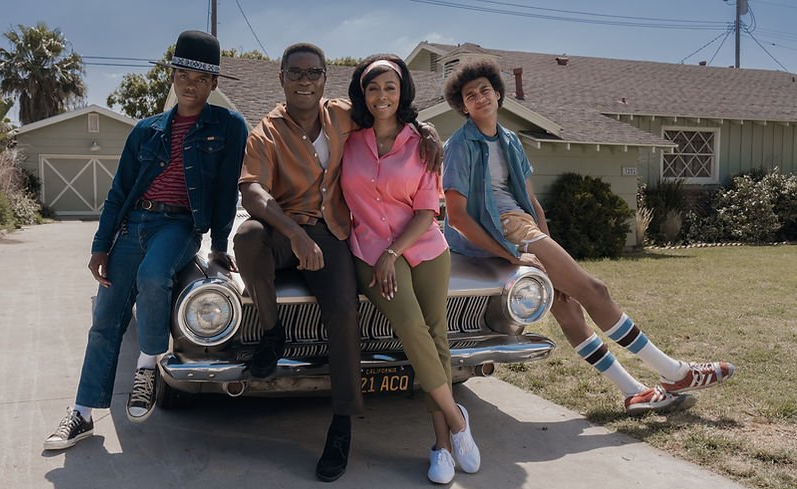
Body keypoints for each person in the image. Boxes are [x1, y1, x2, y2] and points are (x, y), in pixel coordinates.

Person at [441, 58, 734, 416]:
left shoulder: (510, 141)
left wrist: (549, 251)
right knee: (595, 291)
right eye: (470, 95)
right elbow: (457, 217)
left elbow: (531, 202)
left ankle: (634, 392)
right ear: (463, 106)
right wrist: (513, 256)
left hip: (523, 227)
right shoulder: (459, 145)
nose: (480, 98)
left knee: (569, 307)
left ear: (498, 94)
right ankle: (674, 373)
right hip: (500, 232)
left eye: (485, 90)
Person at [234, 43, 442, 482]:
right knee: (248, 237)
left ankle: (342, 424)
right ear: (282, 78)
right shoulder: (265, 132)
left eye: (314, 73)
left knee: (344, 310)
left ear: (325, 78)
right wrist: (293, 233)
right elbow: (252, 191)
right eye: (295, 73)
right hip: (283, 230)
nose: (305, 81)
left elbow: (388, 110)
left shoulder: (343, 115)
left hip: (331, 234)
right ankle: (273, 333)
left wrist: (425, 129)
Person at [43, 30, 248, 450]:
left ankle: (147, 365)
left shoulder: (228, 126)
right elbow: (119, 190)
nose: (190, 84)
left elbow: (228, 191)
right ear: (173, 76)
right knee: (105, 320)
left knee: (154, 276)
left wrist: (220, 246)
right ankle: (82, 413)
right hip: (133, 223)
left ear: (213, 84)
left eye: (200, 78)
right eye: (183, 75)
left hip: (179, 226)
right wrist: (100, 244)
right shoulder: (146, 129)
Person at [340, 54, 480, 484]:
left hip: (424, 248)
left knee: (436, 337)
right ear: (362, 93)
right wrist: (384, 255)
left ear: (402, 93)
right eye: (373, 87)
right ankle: (457, 421)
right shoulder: (347, 138)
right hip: (370, 252)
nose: (381, 95)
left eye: (390, 87)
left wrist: (394, 252)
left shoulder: (421, 142)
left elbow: (426, 210)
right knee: (412, 328)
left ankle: (442, 446)